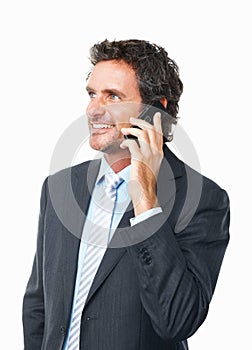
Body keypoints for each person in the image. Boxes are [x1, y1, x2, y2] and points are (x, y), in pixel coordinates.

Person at [22, 39, 230, 350]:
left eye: (113, 96)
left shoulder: (202, 199)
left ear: (155, 112)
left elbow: (177, 320)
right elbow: (38, 306)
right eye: (92, 94)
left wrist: (146, 202)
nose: (94, 109)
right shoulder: (59, 188)